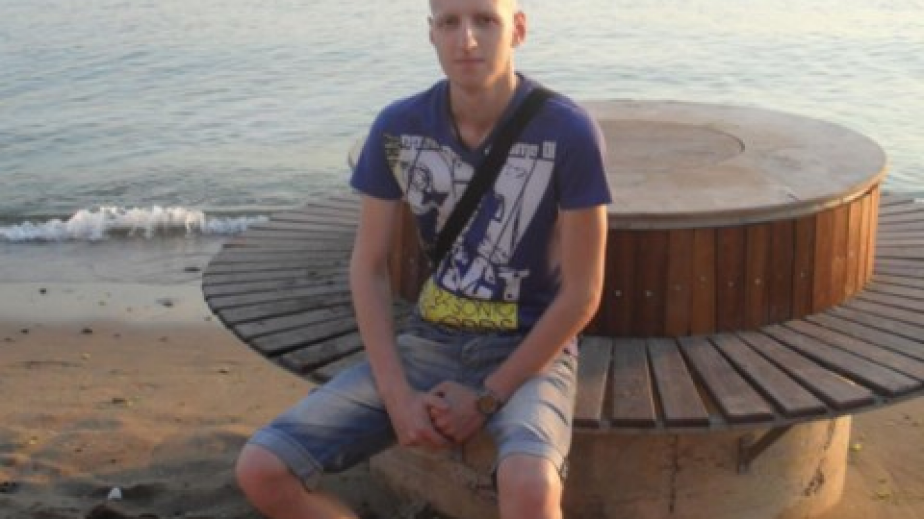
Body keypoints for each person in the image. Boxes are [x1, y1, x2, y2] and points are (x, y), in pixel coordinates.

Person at [235, 0, 611, 517]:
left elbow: (583, 293)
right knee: (262, 467)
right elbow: (368, 267)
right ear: (431, 32)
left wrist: (487, 398)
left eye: (485, 20)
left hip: (528, 349)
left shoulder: (567, 129)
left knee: (530, 485)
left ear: (518, 29)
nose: (467, 39)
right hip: (430, 340)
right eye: (449, 22)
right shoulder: (399, 126)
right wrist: (397, 397)